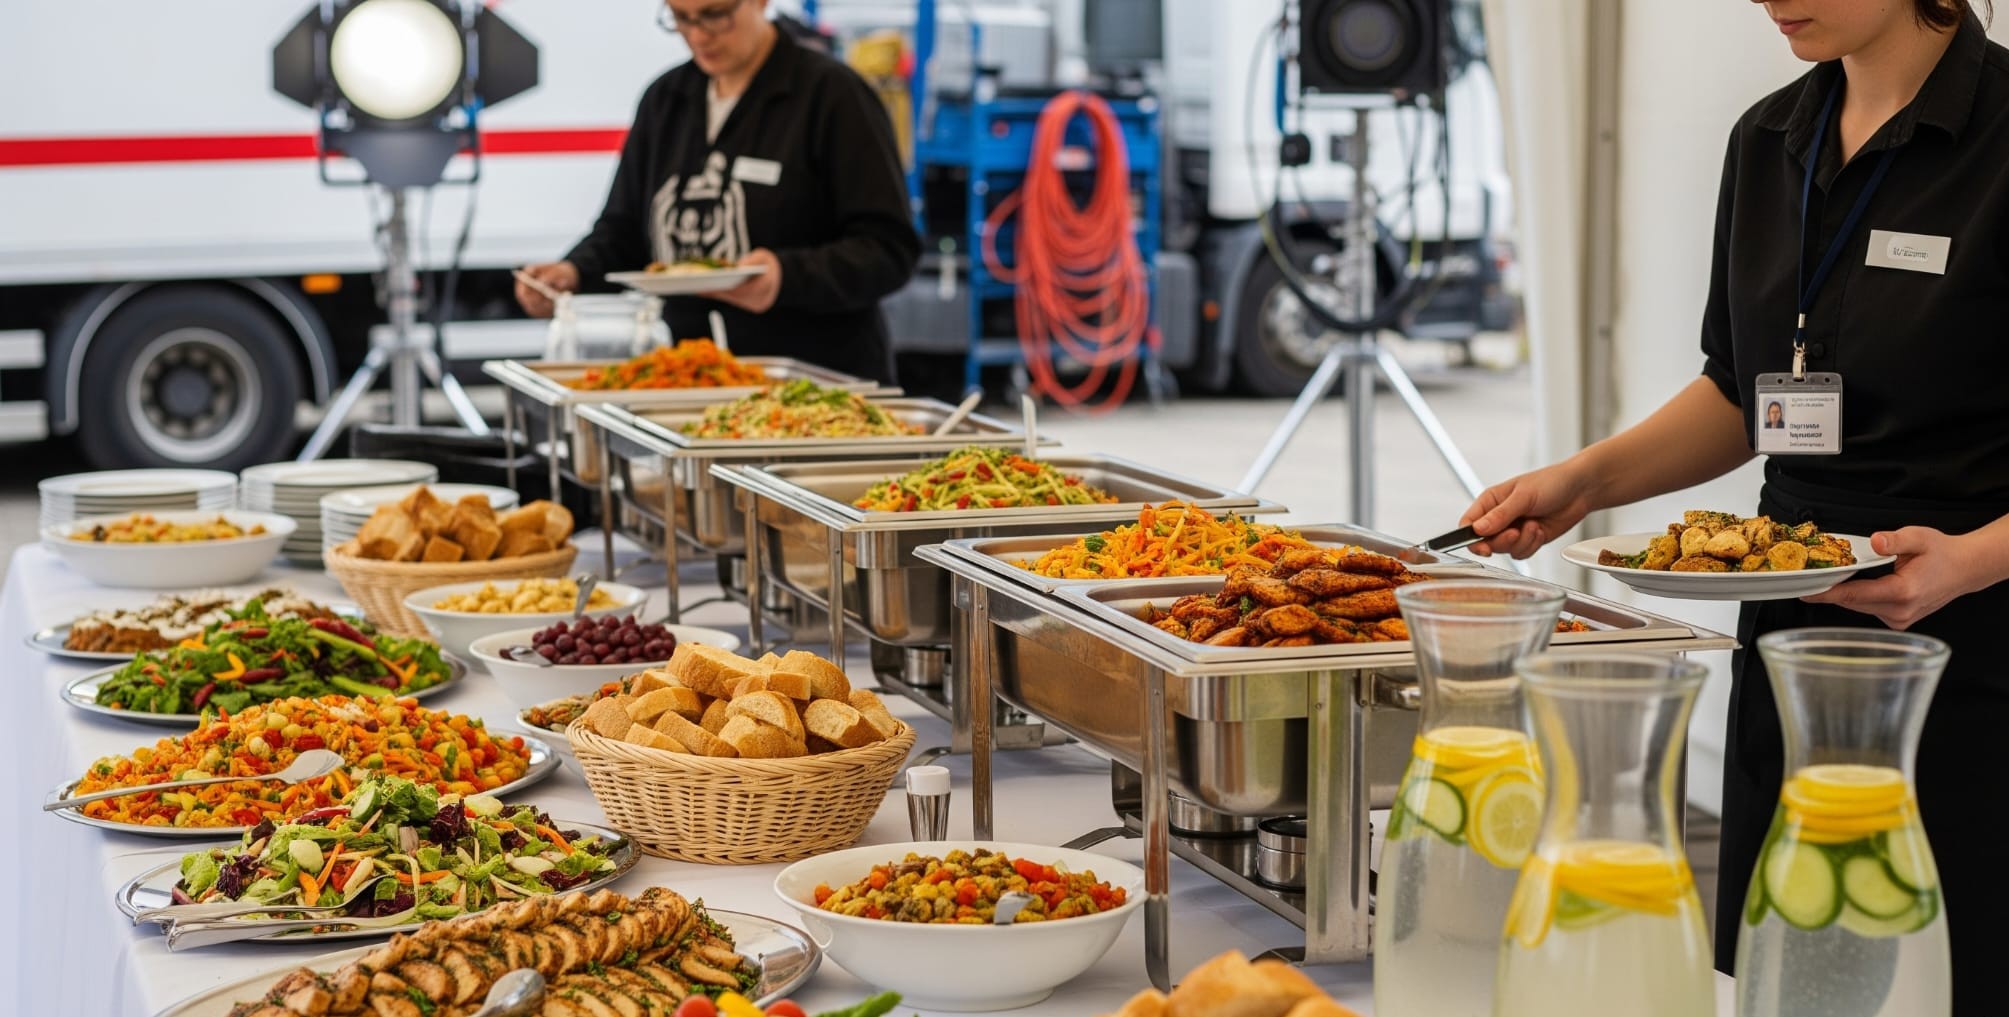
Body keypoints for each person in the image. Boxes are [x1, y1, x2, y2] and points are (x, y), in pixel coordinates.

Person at [1458, 2, 2004, 1010]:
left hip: (1973, 645)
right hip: (1789, 633)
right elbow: (1741, 392)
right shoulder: (1766, 137)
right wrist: (1583, 482)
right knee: (1784, 977)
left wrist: (1971, 560)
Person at [515, 0, 919, 383]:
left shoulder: (832, 95)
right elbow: (623, 231)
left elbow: (889, 248)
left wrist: (785, 277)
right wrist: (571, 273)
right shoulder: (666, 100)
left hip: (817, 384)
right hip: (695, 380)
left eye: (715, 15)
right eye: (681, 17)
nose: (698, 35)